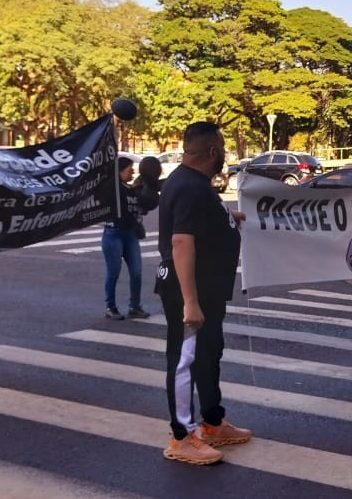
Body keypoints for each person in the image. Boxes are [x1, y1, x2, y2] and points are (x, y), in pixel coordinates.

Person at [156, 121, 249, 466]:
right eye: (223, 149)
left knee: (209, 353)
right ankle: (182, 436)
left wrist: (229, 215)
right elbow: (181, 241)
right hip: (187, 292)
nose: (225, 155)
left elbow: (202, 218)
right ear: (213, 152)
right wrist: (191, 303)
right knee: (184, 360)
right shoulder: (190, 187)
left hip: (208, 290)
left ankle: (212, 422)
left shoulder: (196, 184)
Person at [101, 157, 157, 320]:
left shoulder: (134, 189)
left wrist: (144, 190)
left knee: (137, 272)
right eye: (128, 169)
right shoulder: (114, 190)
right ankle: (110, 307)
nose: (132, 171)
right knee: (113, 272)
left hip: (130, 234)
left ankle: (135, 306)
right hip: (113, 234)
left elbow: (144, 207)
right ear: (119, 171)